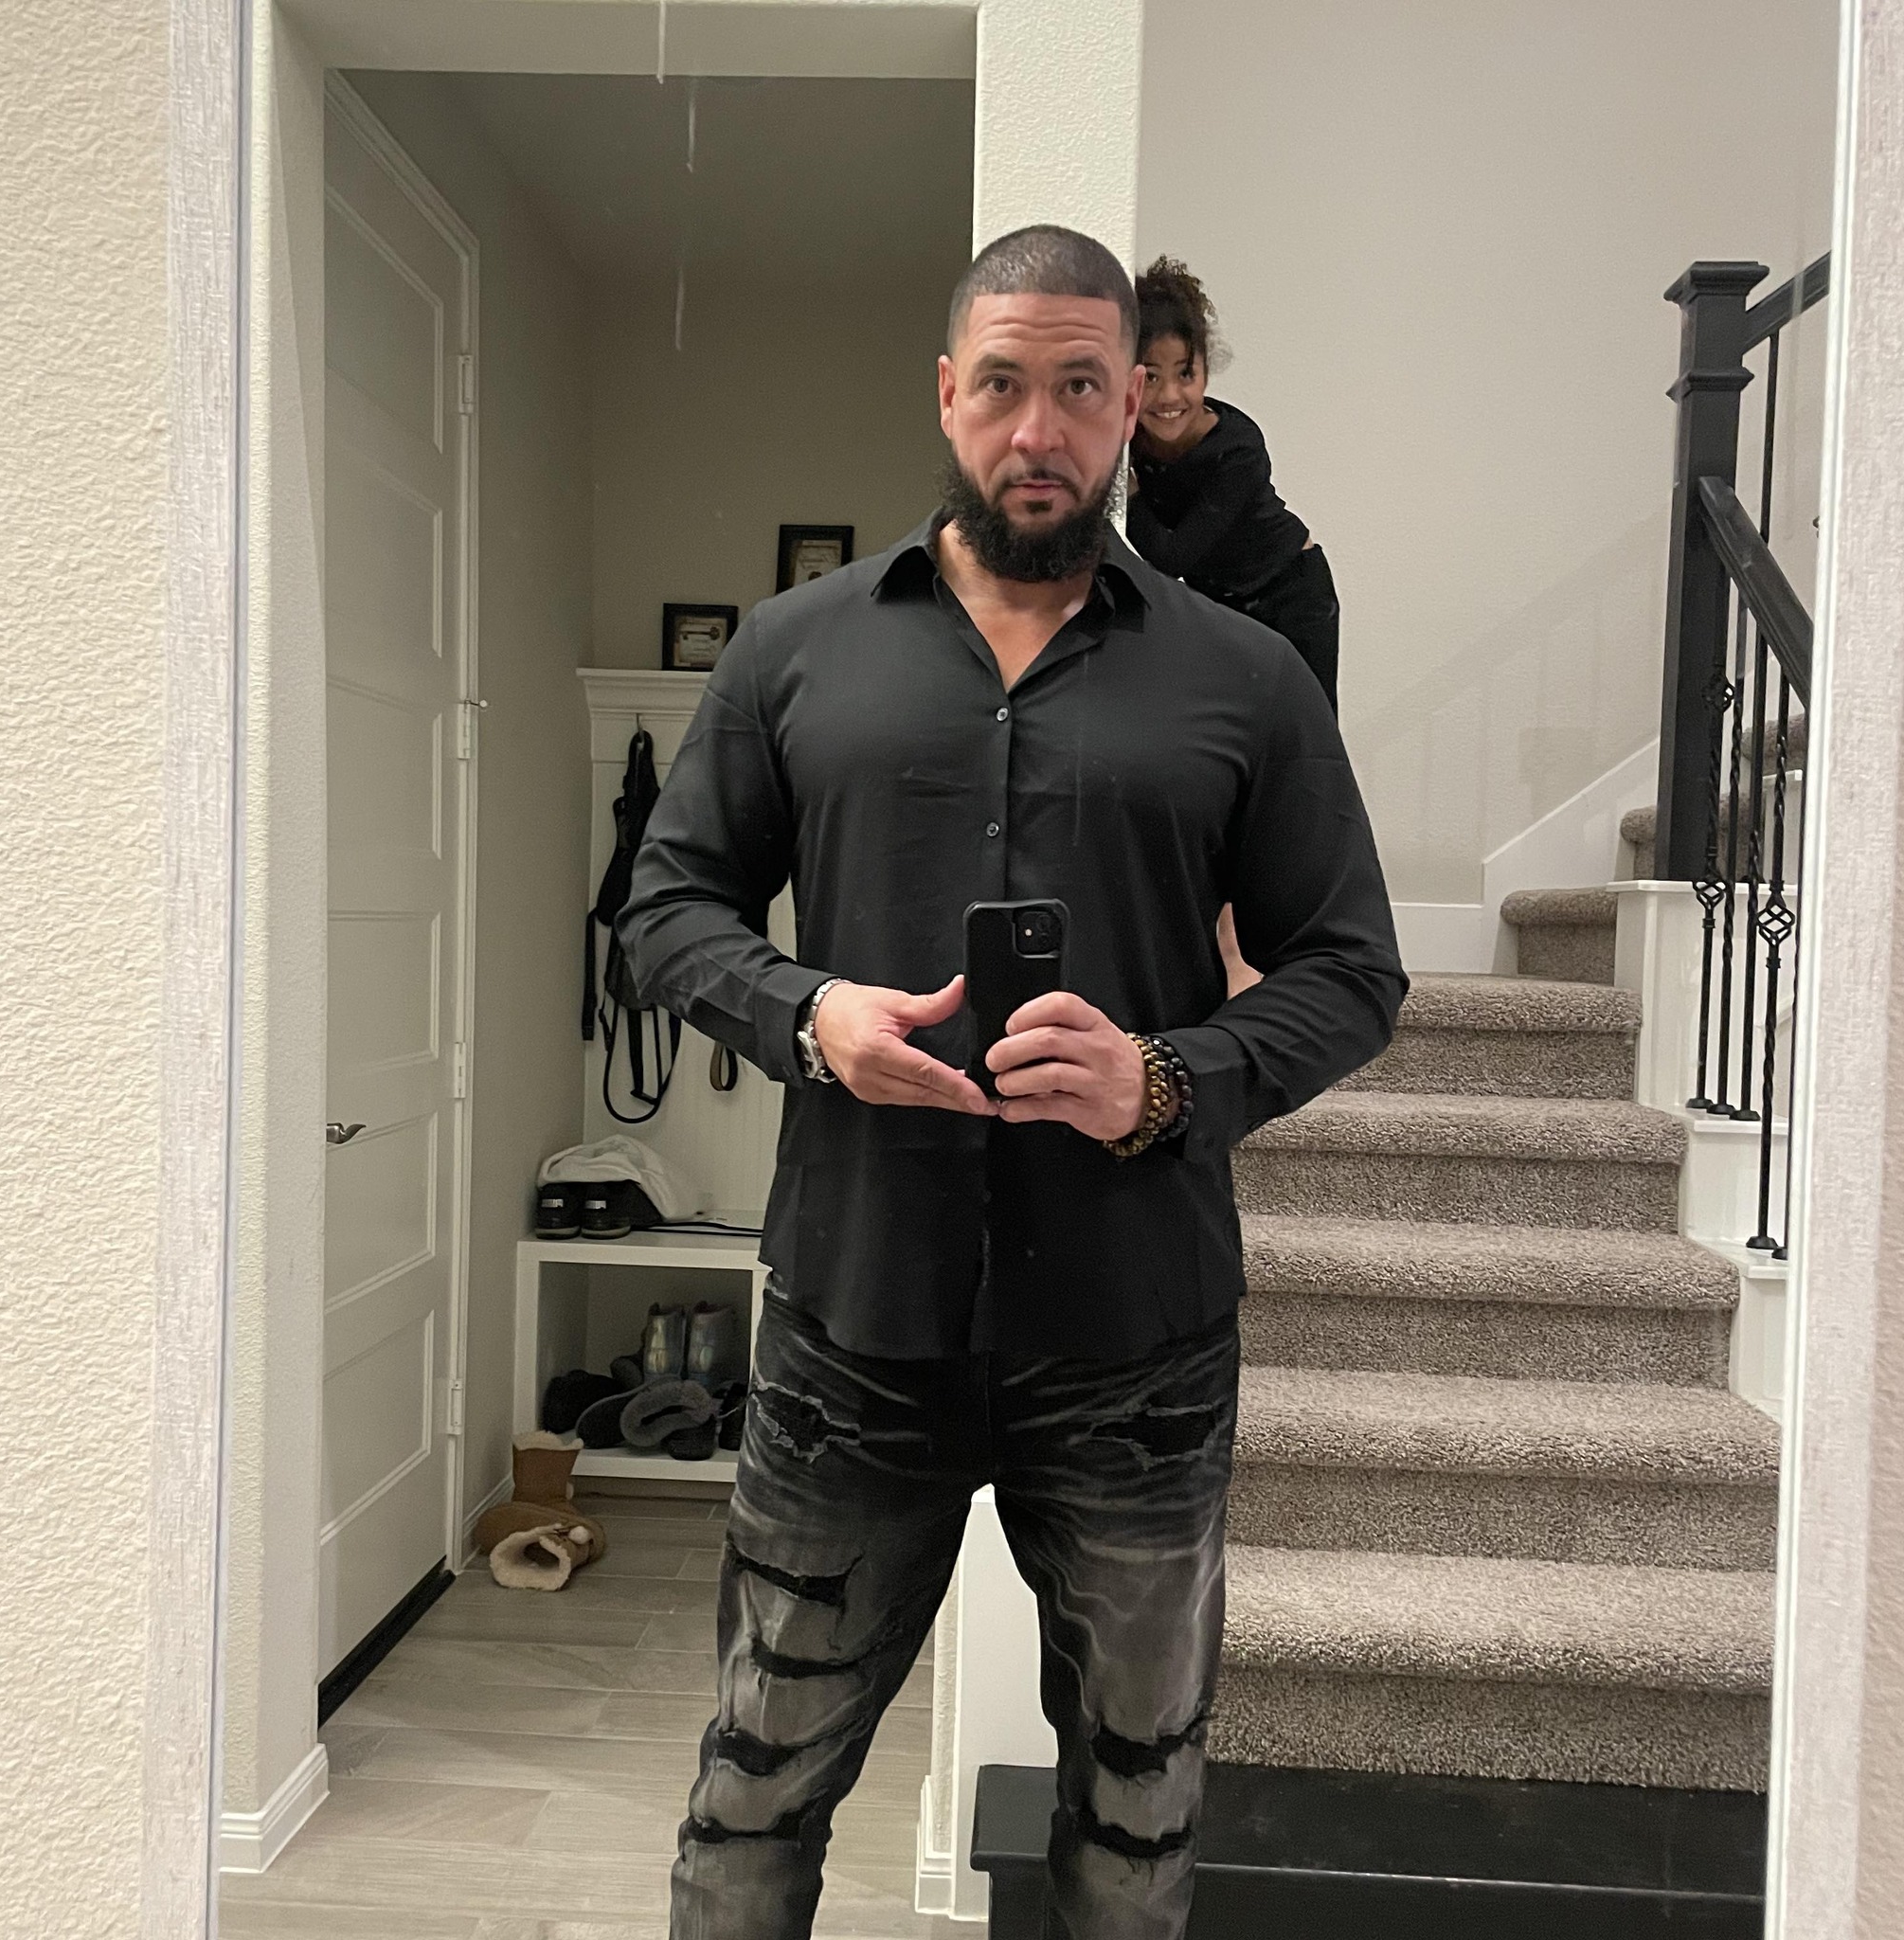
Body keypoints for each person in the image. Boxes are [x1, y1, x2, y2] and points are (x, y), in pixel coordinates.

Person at [618, 224, 1406, 1940]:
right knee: (752, 1790)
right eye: (1000, 385)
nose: (1036, 430)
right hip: (853, 1324)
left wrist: (1166, 1079)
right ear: (944, 394)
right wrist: (810, 1014)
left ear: (1136, 405)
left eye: (1077, 388)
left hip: (1137, 1345)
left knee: (1135, 1818)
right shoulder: (794, 651)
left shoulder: (1244, 674)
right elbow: (664, 913)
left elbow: (1354, 969)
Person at [1127, 256, 1341, 714]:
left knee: (1306, 736)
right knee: (1218, 736)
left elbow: (1171, 557)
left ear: (1206, 370)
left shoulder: (1238, 447)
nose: (1169, 396)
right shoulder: (1127, 440)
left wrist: (1131, 495)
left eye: (1186, 373)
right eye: (1151, 377)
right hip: (1219, 604)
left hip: (1290, 594)